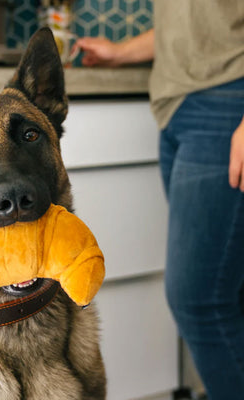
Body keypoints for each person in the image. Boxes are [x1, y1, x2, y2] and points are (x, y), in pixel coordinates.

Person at [76, 2, 244, 399]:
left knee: (201, 300)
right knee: (231, 293)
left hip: (229, 104)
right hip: (178, 109)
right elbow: (203, 24)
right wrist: (122, 52)